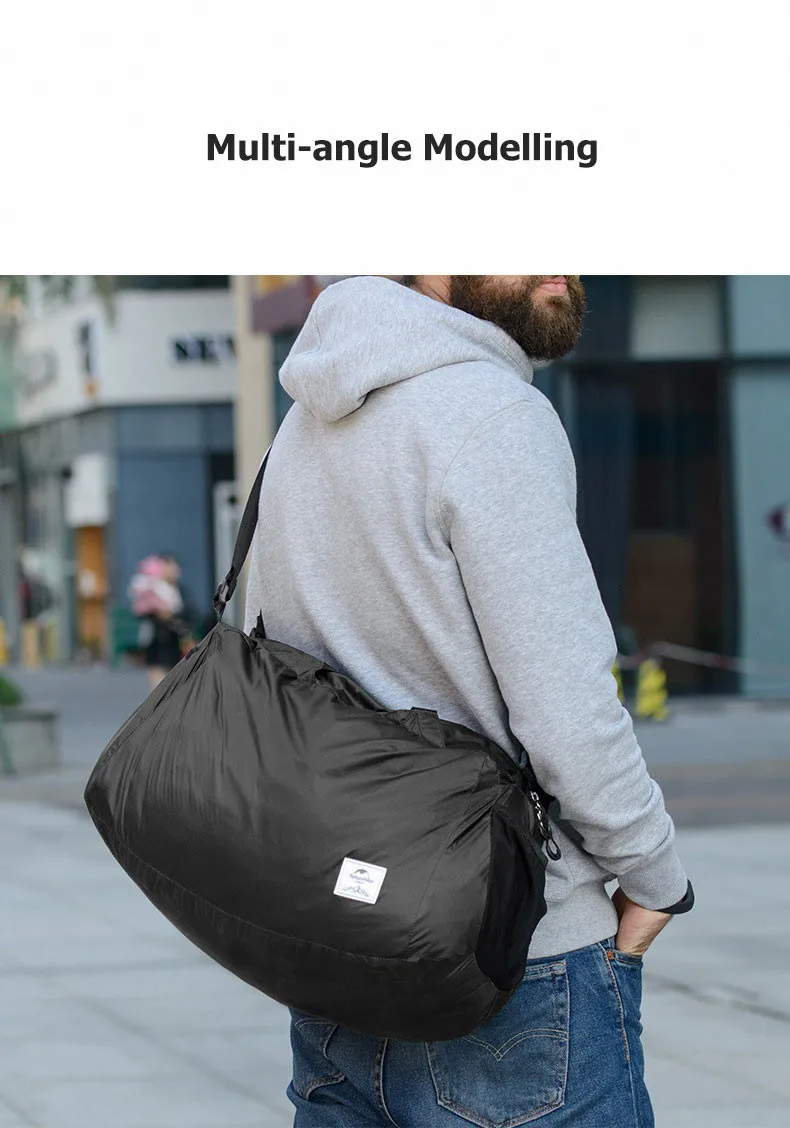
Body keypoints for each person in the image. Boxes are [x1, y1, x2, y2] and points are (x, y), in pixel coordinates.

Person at [244, 276, 694, 1128]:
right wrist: (655, 879)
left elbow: (275, 667)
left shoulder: (301, 425)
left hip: (338, 946)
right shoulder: (494, 414)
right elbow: (567, 712)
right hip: (512, 958)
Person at [129, 553, 192, 690]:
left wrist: (173, 615)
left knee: (176, 681)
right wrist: (156, 613)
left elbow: (189, 612)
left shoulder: (180, 589)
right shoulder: (150, 588)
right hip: (157, 639)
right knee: (157, 679)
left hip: (175, 641)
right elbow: (140, 612)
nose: (174, 571)